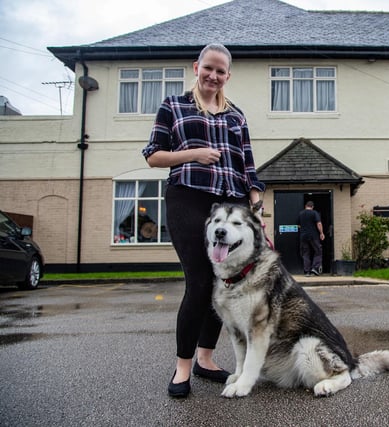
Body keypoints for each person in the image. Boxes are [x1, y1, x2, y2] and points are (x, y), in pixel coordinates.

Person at [142, 43, 265, 398]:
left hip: (232, 203)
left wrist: (256, 206)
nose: (213, 75)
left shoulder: (236, 116)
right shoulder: (173, 106)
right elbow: (153, 156)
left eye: (221, 71)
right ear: (196, 67)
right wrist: (193, 154)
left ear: (228, 76)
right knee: (198, 281)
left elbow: (248, 166)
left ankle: (206, 359)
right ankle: (183, 367)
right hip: (189, 198)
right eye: (208, 68)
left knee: (221, 282)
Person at [297, 201, 324, 276]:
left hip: (303, 236)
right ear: (312, 207)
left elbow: (298, 225)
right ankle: (314, 268)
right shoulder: (314, 213)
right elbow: (319, 223)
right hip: (313, 235)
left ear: (306, 206)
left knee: (305, 253)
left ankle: (307, 271)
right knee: (318, 251)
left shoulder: (301, 213)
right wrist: (321, 233)